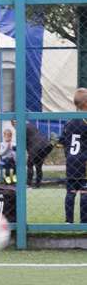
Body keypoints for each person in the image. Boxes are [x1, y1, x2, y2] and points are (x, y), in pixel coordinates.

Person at [61, 88, 87, 223]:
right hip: (84, 162)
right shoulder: (86, 121)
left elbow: (63, 141)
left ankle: (68, 221)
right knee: (84, 192)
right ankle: (84, 222)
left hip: (71, 161)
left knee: (70, 192)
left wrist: (68, 155)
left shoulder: (69, 121)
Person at [26, 121, 54, 187]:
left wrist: (29, 152)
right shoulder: (30, 125)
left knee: (30, 164)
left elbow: (25, 142)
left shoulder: (23, 128)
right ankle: (37, 184)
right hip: (46, 145)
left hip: (36, 147)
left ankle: (28, 183)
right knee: (38, 166)